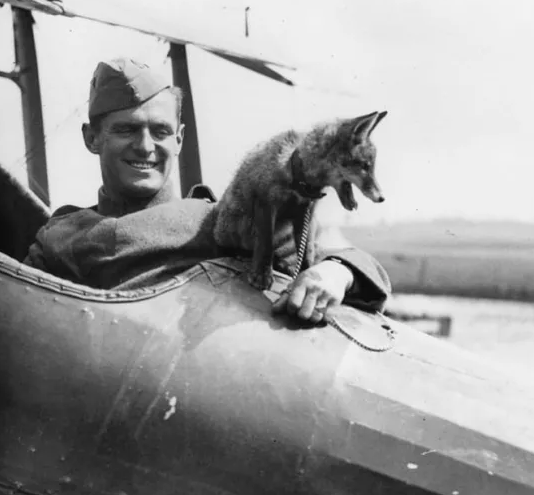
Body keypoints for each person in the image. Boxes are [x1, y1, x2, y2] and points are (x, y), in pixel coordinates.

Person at [24, 57, 391, 323]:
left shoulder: (216, 220)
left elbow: (350, 261)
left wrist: (335, 273)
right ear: (91, 139)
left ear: (180, 140)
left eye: (161, 132)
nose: (146, 146)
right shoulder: (61, 237)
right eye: (126, 130)